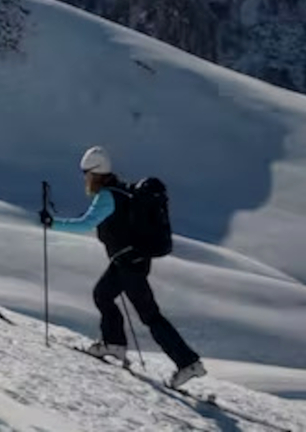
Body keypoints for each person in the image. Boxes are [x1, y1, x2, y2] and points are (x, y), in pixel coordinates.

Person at [41, 146, 206, 389]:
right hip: (129, 260)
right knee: (103, 294)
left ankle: (188, 362)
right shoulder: (121, 192)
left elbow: (86, 223)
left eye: (86, 173)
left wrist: (52, 223)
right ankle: (114, 344)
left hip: (130, 264)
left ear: (95, 173)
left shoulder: (107, 196)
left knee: (149, 315)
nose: (85, 178)